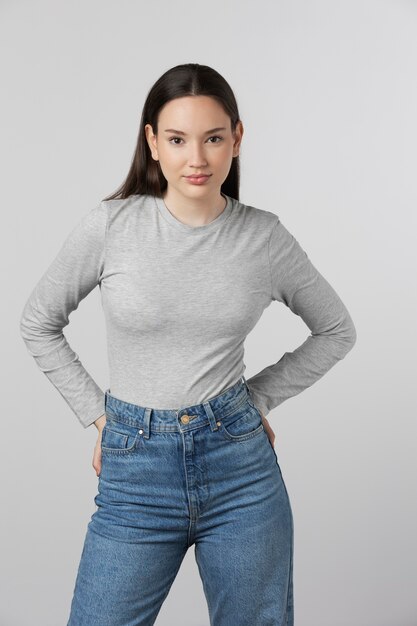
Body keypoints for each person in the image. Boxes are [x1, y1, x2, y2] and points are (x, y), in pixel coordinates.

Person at [19, 62, 357, 626]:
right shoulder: (111, 227)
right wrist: (101, 418)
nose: (196, 158)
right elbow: (38, 321)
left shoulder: (263, 237)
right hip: (135, 472)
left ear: (237, 139)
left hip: (240, 471)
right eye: (177, 139)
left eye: (213, 138)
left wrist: (260, 398)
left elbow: (336, 330)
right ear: (152, 142)